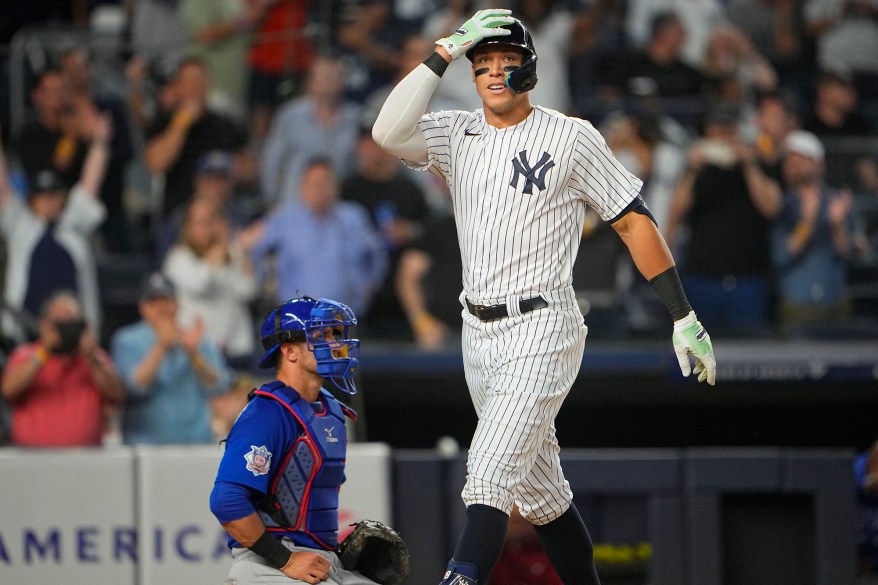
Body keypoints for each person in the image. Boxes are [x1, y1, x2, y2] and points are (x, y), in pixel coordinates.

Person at [372, 11, 716, 585]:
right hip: (476, 333)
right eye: (483, 65)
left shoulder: (570, 135)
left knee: (485, 476)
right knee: (542, 495)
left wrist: (683, 314)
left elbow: (633, 222)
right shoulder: (457, 133)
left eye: (507, 62)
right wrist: (448, 49)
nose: (495, 73)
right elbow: (386, 132)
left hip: (543, 326)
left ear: (529, 69)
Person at [209, 295, 376, 585]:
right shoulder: (267, 413)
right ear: (289, 351)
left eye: (335, 334)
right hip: (270, 564)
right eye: (321, 336)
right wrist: (284, 559)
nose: (336, 345)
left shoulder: (330, 411)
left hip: (317, 560)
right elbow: (227, 502)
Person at [666, 102, 782, 334]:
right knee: (698, 354)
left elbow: (772, 207)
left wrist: (748, 165)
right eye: (716, 130)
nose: (722, 136)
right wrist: (693, 170)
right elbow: (676, 211)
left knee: (749, 354)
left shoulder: (756, 163)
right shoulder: (698, 169)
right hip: (702, 278)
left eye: (727, 130)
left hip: (748, 280)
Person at [0, 113, 112, 341]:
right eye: (42, 196)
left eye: (53, 195)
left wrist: (100, 142)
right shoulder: (21, 225)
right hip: (25, 333)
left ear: (62, 198)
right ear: (32, 200)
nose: (49, 201)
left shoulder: (74, 223)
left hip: (78, 335)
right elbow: (2, 187)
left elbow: (90, 184)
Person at [246, 157, 387, 316]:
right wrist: (267, 287)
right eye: (314, 183)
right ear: (302, 187)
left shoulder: (352, 217)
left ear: (335, 186)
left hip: (344, 319)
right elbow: (255, 248)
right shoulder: (283, 219)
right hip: (299, 319)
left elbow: (377, 252)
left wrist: (369, 286)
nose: (320, 189)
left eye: (325, 182)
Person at [110, 271, 232, 445]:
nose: (161, 307)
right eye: (153, 301)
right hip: (146, 445)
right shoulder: (127, 340)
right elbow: (133, 388)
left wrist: (193, 354)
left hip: (195, 442)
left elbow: (219, 386)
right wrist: (160, 347)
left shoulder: (196, 339)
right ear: (143, 307)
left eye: (166, 300)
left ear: (177, 304)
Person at [0, 291, 123, 447]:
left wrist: (91, 357)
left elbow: (116, 394)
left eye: (70, 324)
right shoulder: (26, 354)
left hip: (85, 458)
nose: (64, 331)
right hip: (32, 458)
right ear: (44, 325)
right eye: (59, 324)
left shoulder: (94, 357)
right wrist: (45, 351)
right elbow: (8, 390)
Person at [770, 130, 861, 335]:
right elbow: (781, 255)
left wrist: (837, 226)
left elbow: (851, 254)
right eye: (790, 161)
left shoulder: (838, 201)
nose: (795, 167)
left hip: (835, 301)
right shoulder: (782, 205)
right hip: (797, 305)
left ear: (818, 163)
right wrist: (807, 222)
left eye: (802, 160)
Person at [144, 57, 248, 219]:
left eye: (200, 80)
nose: (195, 87)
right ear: (176, 87)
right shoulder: (164, 122)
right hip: (179, 214)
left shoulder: (224, 124)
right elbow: (156, 164)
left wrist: (226, 172)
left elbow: (247, 169)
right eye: (188, 82)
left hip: (221, 215)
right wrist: (182, 122)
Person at [162, 196, 259, 370]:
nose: (205, 228)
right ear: (187, 226)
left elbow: (248, 291)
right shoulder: (178, 257)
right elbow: (202, 285)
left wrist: (243, 254)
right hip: (199, 348)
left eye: (210, 221)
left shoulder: (231, 252)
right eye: (199, 222)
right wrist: (222, 245)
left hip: (235, 345)